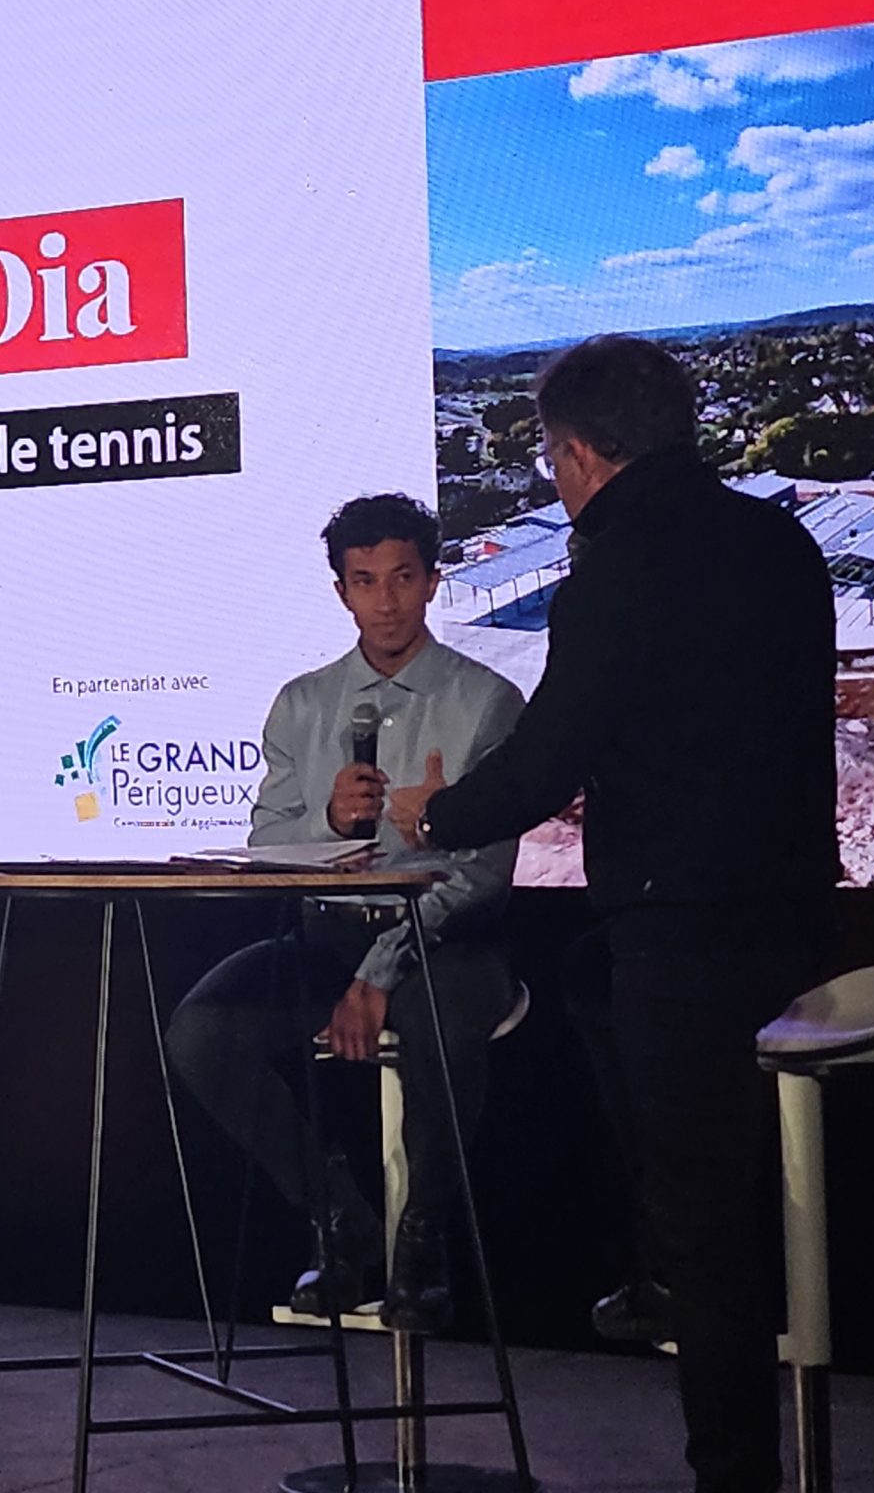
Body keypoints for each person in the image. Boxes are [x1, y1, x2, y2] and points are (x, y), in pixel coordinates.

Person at [389, 335, 836, 1493]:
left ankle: (730, 1470)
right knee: (588, 989)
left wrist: (436, 815)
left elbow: (545, 760)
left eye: (553, 459)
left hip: (682, 925)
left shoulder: (617, 569)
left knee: (708, 1232)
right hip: (792, 909)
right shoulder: (778, 539)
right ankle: (649, 1261)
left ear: (580, 453)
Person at [165, 495, 524, 1330]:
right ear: (341, 593)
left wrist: (378, 972)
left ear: (434, 581)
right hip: (324, 929)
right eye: (365, 582)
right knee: (201, 1033)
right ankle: (340, 1220)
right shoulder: (304, 703)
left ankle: (421, 1241)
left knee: (441, 1024)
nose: (387, 600)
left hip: (445, 935)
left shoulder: (488, 703)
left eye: (403, 578)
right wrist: (327, 824)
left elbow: (482, 877)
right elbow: (265, 849)